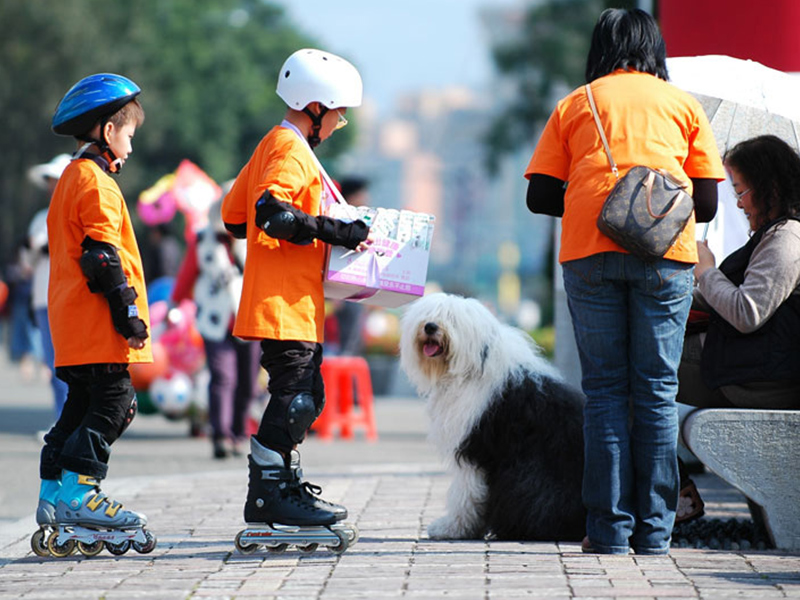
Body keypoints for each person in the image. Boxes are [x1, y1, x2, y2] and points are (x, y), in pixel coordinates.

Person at [525, 8, 725, 555]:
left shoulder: (576, 103)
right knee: (658, 393)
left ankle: (608, 531)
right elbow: (705, 203)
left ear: (601, 49)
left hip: (589, 255)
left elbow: (539, 196)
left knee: (606, 394)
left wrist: (596, 190)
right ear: (653, 47)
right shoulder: (681, 104)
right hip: (665, 258)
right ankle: (656, 532)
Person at [222, 48, 373, 533]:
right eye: (337, 116)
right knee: (297, 400)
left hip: (290, 301)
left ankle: (282, 485)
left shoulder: (273, 144)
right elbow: (271, 213)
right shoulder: (290, 150)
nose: (337, 124)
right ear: (315, 108)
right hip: (283, 302)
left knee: (306, 395)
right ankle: (268, 497)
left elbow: (233, 216)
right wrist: (336, 230)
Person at [32, 73, 154, 557]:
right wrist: (128, 313)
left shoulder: (69, 178)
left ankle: (54, 492)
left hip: (71, 326)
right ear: (107, 131)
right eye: (128, 134)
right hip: (97, 323)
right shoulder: (96, 182)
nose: (130, 144)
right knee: (115, 403)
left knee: (79, 407)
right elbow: (102, 256)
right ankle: (82, 492)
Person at [675, 135, 800, 518]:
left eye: (741, 191)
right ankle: (674, 490)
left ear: (771, 188)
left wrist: (707, 271)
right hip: (745, 365)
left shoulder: (788, 239)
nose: (739, 202)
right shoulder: (772, 236)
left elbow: (747, 312)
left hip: (758, 378)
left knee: (638, 369)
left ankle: (674, 493)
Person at [171, 198, 262, 459]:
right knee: (223, 377)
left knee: (247, 382)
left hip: (250, 319)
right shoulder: (202, 241)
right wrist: (174, 305)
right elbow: (187, 275)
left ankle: (238, 433)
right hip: (215, 320)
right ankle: (220, 436)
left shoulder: (256, 238)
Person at [27, 154, 72, 421]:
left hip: (68, 299)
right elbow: (27, 260)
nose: (51, 186)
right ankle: (61, 420)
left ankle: (70, 423)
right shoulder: (41, 217)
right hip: (43, 298)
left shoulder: (73, 214)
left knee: (69, 366)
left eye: (55, 180)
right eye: (50, 181)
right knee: (53, 364)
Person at [332, 176, 371, 356]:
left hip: (352, 287)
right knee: (340, 339)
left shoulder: (360, 219)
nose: (365, 199)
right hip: (337, 287)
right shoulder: (338, 218)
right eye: (361, 194)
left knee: (352, 336)